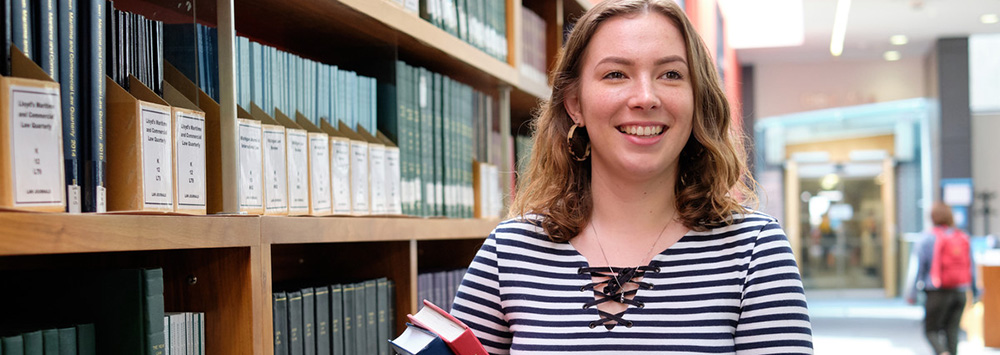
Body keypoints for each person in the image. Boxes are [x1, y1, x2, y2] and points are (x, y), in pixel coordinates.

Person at [449, 0, 814, 353]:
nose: (645, 97)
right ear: (575, 104)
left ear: (697, 99)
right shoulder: (509, 253)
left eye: (670, 74)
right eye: (615, 74)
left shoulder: (754, 252)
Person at [907, 202, 978, 355]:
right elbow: (971, 267)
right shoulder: (962, 236)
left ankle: (942, 352)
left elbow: (918, 268)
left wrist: (912, 293)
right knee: (952, 332)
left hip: (936, 292)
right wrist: (975, 291)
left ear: (931, 217)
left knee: (930, 330)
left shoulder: (926, 238)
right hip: (959, 291)